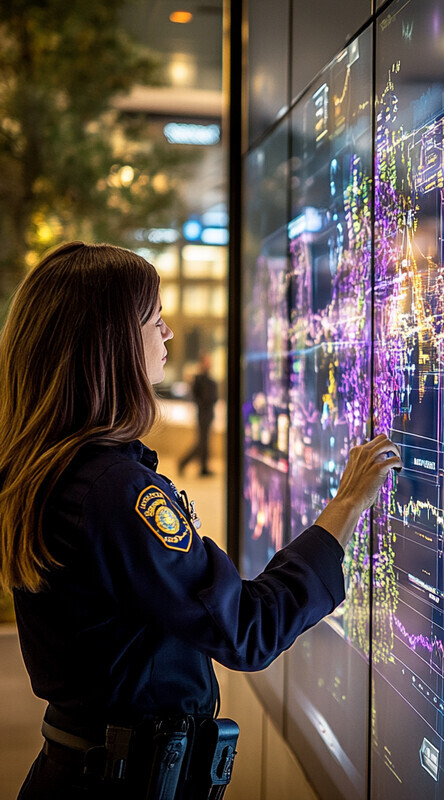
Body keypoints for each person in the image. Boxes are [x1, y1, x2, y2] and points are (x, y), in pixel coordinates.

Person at [0, 241, 402, 800]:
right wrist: (345, 507)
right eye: (155, 319)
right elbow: (245, 629)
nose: (167, 334)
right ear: (110, 345)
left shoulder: (58, 469)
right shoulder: (111, 492)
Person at [179, 354, 218, 476]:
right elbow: (196, 396)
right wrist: (203, 404)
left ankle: (203, 468)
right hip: (202, 414)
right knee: (202, 442)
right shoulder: (199, 379)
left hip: (208, 413)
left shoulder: (208, 378)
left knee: (204, 442)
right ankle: (183, 462)